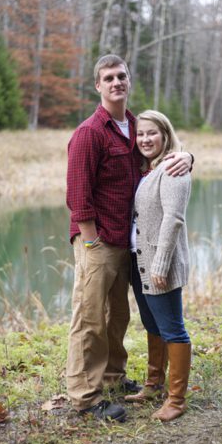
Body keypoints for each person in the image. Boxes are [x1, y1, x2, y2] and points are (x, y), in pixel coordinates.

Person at [65, 54, 192, 422]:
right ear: (98, 86)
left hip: (128, 242)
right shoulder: (90, 132)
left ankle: (113, 377)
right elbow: (77, 194)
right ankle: (85, 399)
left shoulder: (135, 126)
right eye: (108, 78)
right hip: (98, 241)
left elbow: (163, 152)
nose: (116, 82)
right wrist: (89, 243)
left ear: (129, 80)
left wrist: (188, 156)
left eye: (121, 76)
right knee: (89, 319)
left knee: (117, 315)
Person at [125, 110, 192, 422]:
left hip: (158, 265)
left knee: (173, 330)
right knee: (153, 325)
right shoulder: (150, 169)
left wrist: (162, 264)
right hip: (142, 262)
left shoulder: (174, 168)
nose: (145, 139)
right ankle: (154, 384)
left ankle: (176, 401)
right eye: (140, 134)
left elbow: (174, 219)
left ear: (165, 134)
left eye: (152, 133)